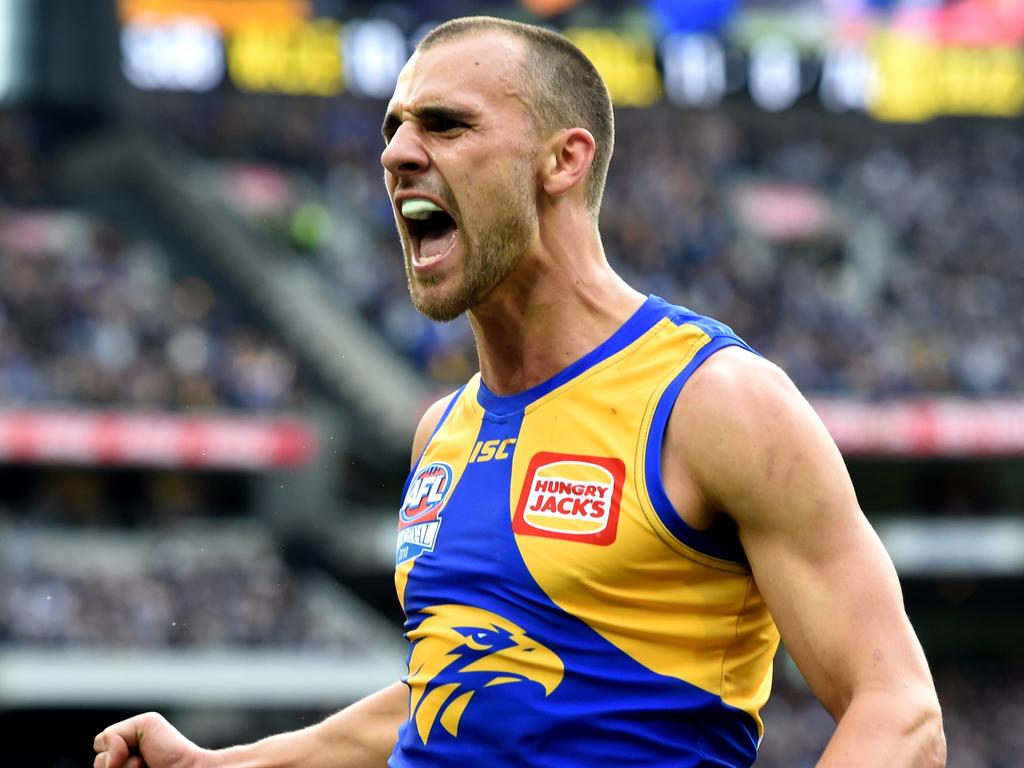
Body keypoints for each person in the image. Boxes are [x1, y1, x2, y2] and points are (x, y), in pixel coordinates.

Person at [94, 15, 946, 768]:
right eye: (392, 129)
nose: (395, 154)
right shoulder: (442, 431)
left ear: (562, 161)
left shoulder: (715, 403)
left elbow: (899, 713)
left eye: (446, 124)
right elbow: (452, 694)